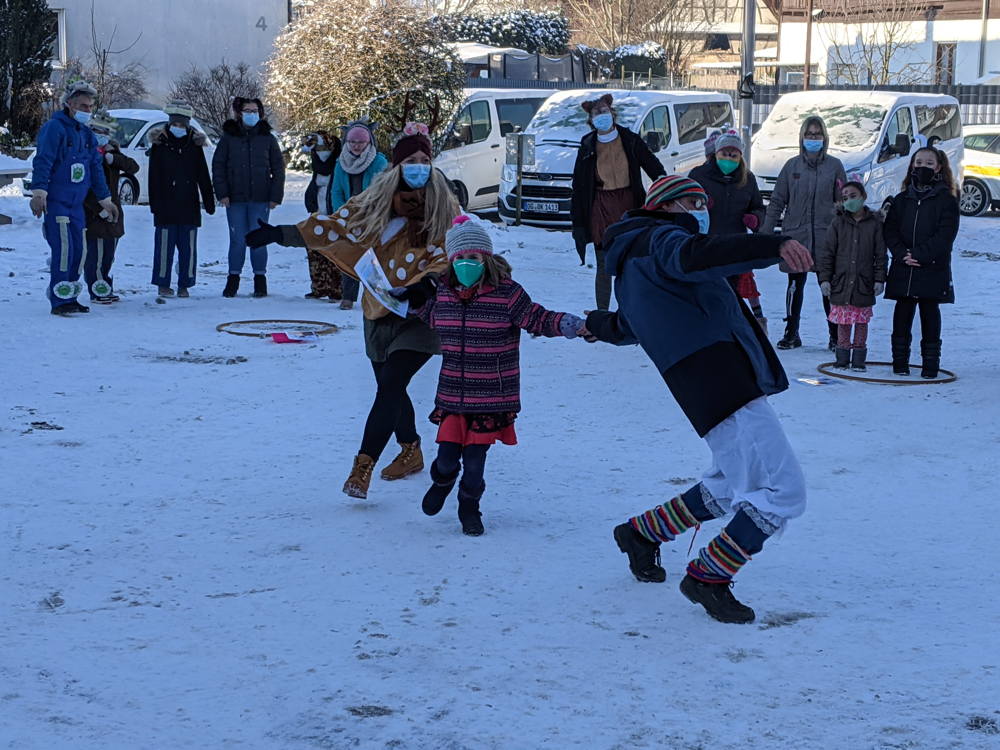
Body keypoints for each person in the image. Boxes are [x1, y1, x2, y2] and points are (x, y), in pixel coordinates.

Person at [581, 175, 812, 624]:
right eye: (692, 201)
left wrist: (595, 323)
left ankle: (642, 534)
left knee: (728, 482)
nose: (700, 210)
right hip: (721, 377)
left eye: (703, 202)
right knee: (783, 491)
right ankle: (710, 575)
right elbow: (695, 255)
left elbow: (628, 326)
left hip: (701, 383)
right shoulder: (664, 238)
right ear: (665, 206)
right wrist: (771, 246)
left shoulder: (634, 257)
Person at [245, 122, 459, 499]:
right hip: (379, 308)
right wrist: (281, 234)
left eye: (425, 160)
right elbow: (333, 227)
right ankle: (410, 449)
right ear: (397, 165)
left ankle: (362, 468)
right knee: (390, 389)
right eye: (411, 159)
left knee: (392, 384)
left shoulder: (444, 204)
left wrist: (428, 283)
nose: (419, 166)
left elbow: (453, 249)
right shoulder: (373, 202)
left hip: (421, 315)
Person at [390, 216, 584, 535]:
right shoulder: (443, 293)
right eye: (461, 258)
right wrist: (410, 300)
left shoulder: (507, 293)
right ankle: (442, 481)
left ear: (487, 259)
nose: (467, 263)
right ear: (452, 262)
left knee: (475, 465)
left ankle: (469, 508)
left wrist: (570, 325)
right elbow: (428, 315)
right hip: (454, 395)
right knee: (447, 459)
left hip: (491, 396)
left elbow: (537, 318)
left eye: (474, 258)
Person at [29, 81, 119, 315]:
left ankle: (70, 295)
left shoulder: (87, 134)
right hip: (57, 203)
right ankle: (59, 300)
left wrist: (105, 199)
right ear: (69, 103)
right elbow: (43, 160)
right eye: (82, 105)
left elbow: (95, 168)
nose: (87, 111)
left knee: (79, 252)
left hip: (76, 206)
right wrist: (39, 191)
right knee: (64, 251)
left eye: (90, 107)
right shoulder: (55, 128)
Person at [570, 93, 665, 311]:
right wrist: (578, 221)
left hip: (629, 203)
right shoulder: (587, 145)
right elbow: (579, 186)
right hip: (600, 207)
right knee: (604, 263)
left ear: (612, 114)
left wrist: (664, 186)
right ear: (591, 120)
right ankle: (603, 312)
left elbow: (653, 165)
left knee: (631, 260)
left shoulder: (630, 139)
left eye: (604, 111)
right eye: (596, 113)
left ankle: (632, 311)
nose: (601, 115)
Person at [762, 116, 847, 350]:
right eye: (809, 134)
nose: (813, 138)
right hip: (796, 236)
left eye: (817, 135)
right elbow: (777, 201)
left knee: (827, 286)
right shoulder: (792, 166)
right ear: (801, 137)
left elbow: (843, 203)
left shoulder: (834, 166)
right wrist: (765, 235)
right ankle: (791, 332)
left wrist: (846, 233)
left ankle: (835, 333)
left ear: (825, 138)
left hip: (825, 237)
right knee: (794, 285)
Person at [883, 147, 959, 379]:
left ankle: (930, 364)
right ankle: (900, 363)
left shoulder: (947, 200)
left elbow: (945, 235)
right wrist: (901, 254)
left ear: (938, 167)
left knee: (929, 314)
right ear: (911, 166)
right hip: (903, 266)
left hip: (932, 267)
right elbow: (890, 230)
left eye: (928, 163)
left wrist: (920, 255)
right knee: (902, 313)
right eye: (918, 162)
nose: (922, 167)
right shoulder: (901, 199)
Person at [688, 128, 768, 334]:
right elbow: (684, 204)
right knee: (707, 287)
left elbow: (758, 207)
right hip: (706, 243)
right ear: (716, 154)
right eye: (724, 154)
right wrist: (700, 205)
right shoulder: (699, 175)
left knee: (734, 289)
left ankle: (736, 328)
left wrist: (756, 218)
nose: (728, 159)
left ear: (740, 157)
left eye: (733, 155)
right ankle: (704, 326)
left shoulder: (747, 179)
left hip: (735, 244)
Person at [213, 96, 285, 298]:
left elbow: (278, 168)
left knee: (259, 238)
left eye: (255, 111)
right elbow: (218, 166)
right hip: (235, 198)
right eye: (247, 110)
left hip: (261, 198)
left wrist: (275, 195)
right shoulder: (228, 138)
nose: (251, 114)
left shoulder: (268, 138)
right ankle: (233, 279)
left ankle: (260, 280)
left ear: (260, 114)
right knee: (237, 239)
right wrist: (222, 193)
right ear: (239, 113)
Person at [816, 181, 888, 372]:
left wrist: (880, 279)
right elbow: (828, 254)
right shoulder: (838, 223)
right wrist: (825, 278)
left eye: (853, 196)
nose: (849, 201)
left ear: (863, 196)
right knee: (843, 323)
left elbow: (880, 254)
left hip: (863, 283)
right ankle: (842, 356)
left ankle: (858, 357)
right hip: (841, 283)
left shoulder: (874, 224)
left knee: (861, 323)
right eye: (845, 198)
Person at [148, 101, 216, 297]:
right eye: (175, 124)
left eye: (182, 125)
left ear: (187, 125)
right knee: (164, 248)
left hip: (189, 206)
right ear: (170, 123)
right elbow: (153, 177)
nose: (178, 128)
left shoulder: (194, 146)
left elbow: (202, 175)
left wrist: (208, 201)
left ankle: (184, 284)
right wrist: (155, 205)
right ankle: (162, 283)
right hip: (165, 206)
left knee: (188, 248)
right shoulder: (160, 145)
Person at [330, 119, 390, 310]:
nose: (356, 146)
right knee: (350, 253)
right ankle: (348, 296)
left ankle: (375, 294)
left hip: (372, 215)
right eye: (353, 142)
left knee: (374, 256)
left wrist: (367, 213)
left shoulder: (379, 162)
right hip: (348, 216)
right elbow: (336, 191)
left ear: (369, 142)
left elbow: (380, 191)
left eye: (361, 142)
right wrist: (343, 214)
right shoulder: (341, 163)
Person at [82, 110, 138, 303]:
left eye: (104, 132)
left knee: (108, 256)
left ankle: (105, 285)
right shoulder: (86, 153)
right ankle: (96, 289)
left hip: (113, 214)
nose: (100, 135)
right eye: (97, 131)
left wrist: (114, 158)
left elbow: (133, 167)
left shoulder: (111, 152)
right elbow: (85, 189)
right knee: (94, 257)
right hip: (93, 213)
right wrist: (99, 209)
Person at [302, 130, 344, 301]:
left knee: (335, 253)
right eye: (318, 151)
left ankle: (336, 289)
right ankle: (319, 286)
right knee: (315, 251)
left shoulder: (340, 166)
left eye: (324, 149)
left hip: (335, 215)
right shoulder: (316, 167)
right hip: (317, 214)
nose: (321, 154)